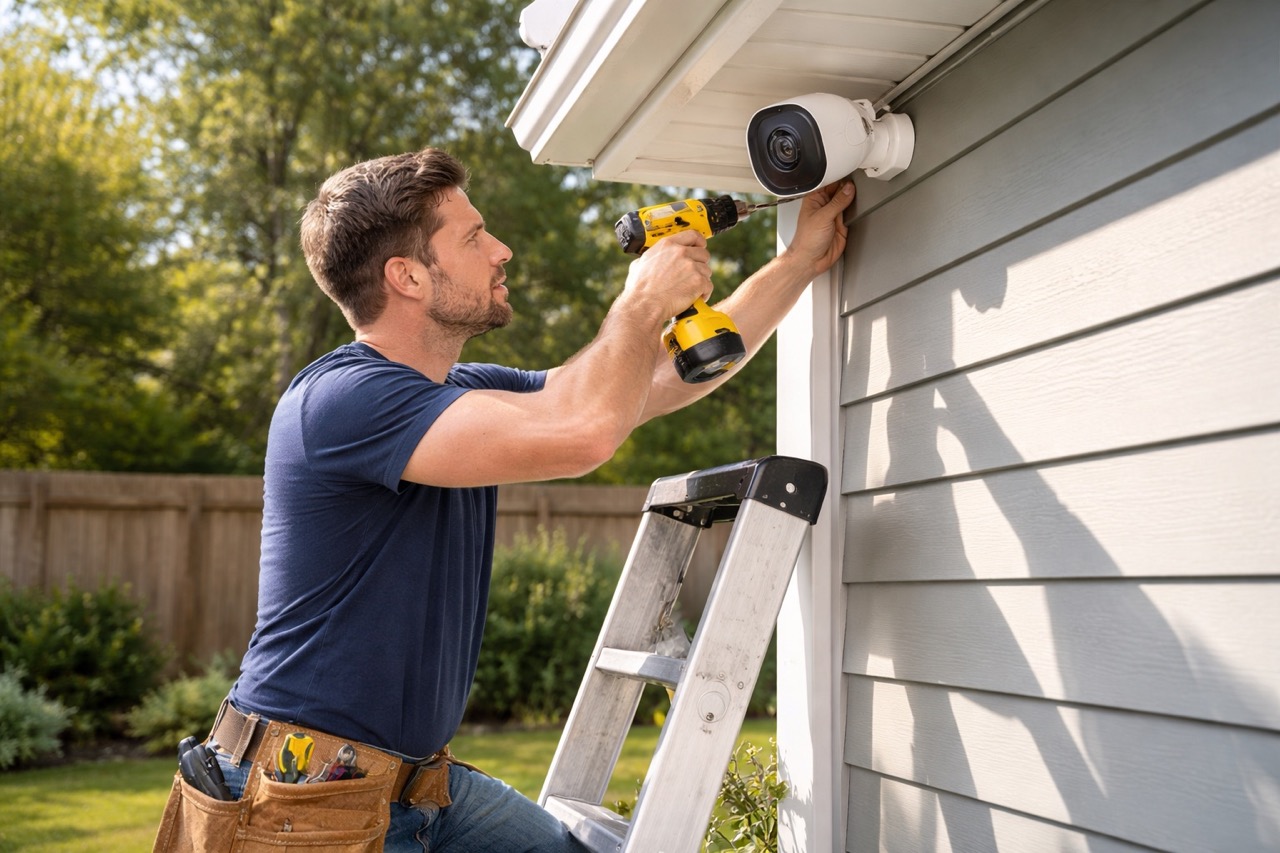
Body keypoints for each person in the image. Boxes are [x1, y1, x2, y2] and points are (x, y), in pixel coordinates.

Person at [166, 147, 853, 853]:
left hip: (417, 785)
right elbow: (585, 431)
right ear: (405, 275)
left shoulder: (457, 392)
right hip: (298, 803)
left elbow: (651, 380)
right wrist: (642, 301)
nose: (502, 250)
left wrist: (798, 261)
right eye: (471, 237)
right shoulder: (343, 400)